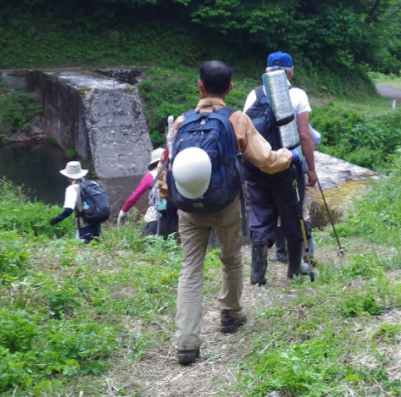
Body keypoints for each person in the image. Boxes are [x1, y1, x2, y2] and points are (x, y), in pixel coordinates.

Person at [157, 60, 294, 366]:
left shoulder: (182, 121)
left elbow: (168, 164)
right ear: (230, 88)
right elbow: (266, 160)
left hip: (189, 207)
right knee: (231, 259)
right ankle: (230, 314)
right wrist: (288, 155)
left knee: (190, 269)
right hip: (226, 204)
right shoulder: (237, 119)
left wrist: (168, 196)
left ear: (199, 85)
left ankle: (187, 343)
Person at [243, 51, 318, 285]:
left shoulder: (253, 95)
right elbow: (305, 135)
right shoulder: (297, 94)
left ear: (266, 71)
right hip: (287, 166)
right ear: (291, 71)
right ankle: (295, 270)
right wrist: (311, 169)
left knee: (260, 213)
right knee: (292, 212)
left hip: (257, 165)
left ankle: (257, 275)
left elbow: (246, 132)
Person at [117, 147, 178, 239]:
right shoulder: (176, 173)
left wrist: (124, 211)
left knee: (145, 243)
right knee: (171, 244)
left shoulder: (151, 175)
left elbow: (136, 195)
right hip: (175, 214)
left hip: (156, 214)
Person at [49, 161, 105, 244]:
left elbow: (68, 210)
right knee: (95, 245)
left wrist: (53, 221)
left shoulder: (72, 188)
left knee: (84, 248)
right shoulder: (93, 184)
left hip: (83, 224)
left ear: (68, 176)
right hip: (97, 221)